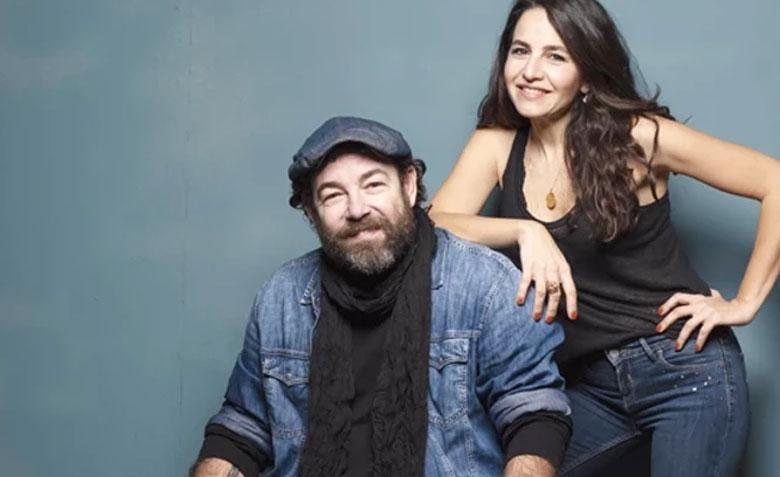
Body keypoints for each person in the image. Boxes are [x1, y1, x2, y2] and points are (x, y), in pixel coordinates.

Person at [429, 1, 780, 476]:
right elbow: (434, 225)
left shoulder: (637, 138)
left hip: (684, 371)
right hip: (588, 384)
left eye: (555, 56)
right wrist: (525, 231)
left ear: (587, 76)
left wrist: (744, 302)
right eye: (520, 51)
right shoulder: (497, 145)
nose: (530, 71)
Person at [189, 116, 573, 477]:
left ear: (408, 186)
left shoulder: (484, 284)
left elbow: (533, 418)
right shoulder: (282, 298)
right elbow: (242, 430)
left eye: (373, 185)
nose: (357, 209)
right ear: (311, 212)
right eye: (333, 195)